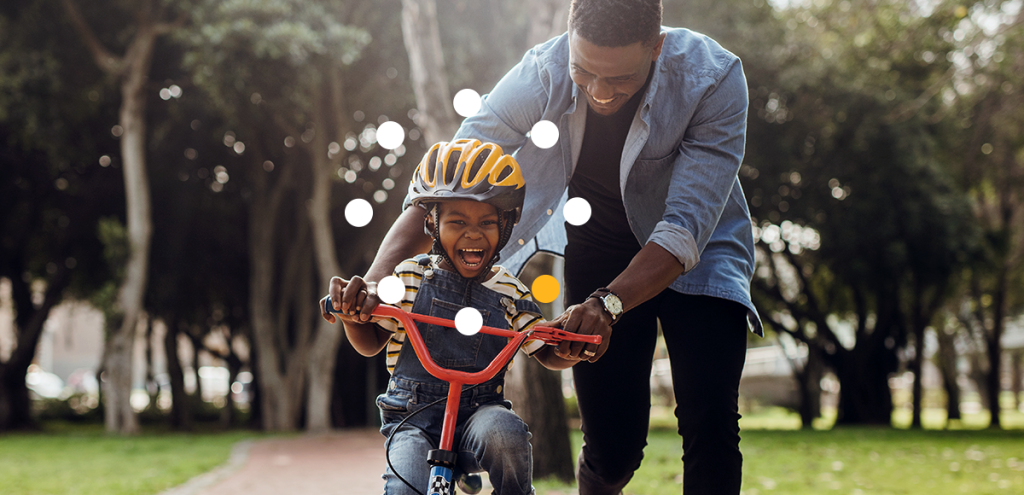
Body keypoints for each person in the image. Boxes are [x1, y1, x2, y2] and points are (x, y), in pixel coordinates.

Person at [342, 0, 763, 492]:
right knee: (613, 449)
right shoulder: (541, 73)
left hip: (702, 254)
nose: (601, 93)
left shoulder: (712, 79)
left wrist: (608, 304)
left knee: (710, 419)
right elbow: (446, 185)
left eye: (620, 79)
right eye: (584, 72)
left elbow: (683, 230)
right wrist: (374, 285)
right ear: (569, 40)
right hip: (601, 249)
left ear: (657, 47)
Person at [321, 139, 581, 495]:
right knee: (404, 486)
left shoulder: (509, 290)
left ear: (507, 224)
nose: (473, 233)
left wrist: (567, 347)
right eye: (457, 221)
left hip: (480, 414)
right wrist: (354, 318)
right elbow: (370, 343)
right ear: (431, 222)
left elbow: (543, 348)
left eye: (487, 222)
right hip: (413, 418)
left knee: (507, 437)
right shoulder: (407, 278)